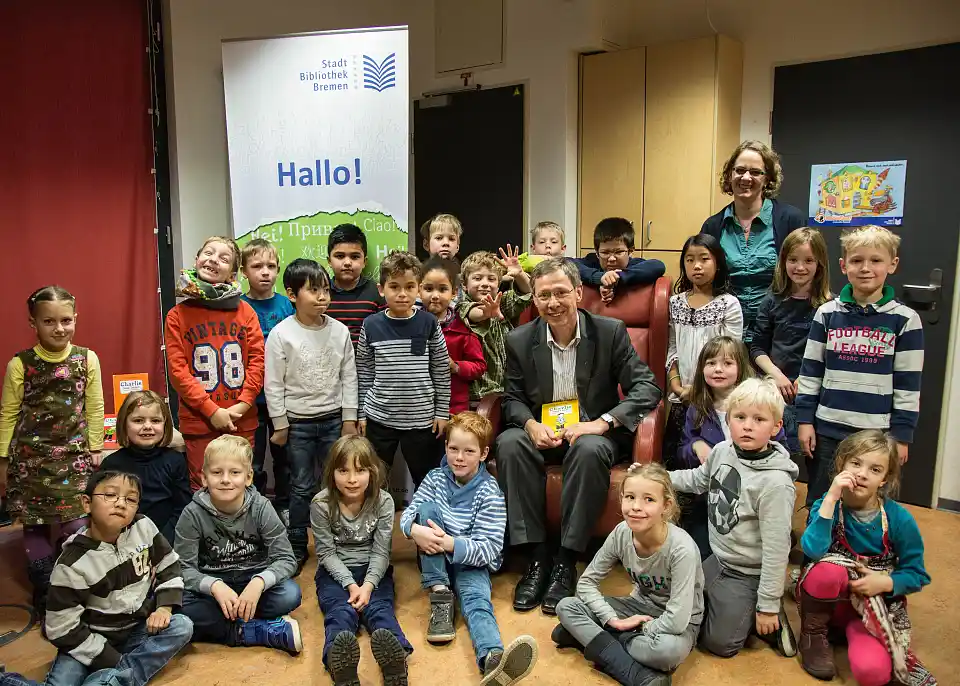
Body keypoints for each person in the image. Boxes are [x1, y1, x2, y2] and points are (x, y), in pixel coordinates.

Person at [495, 257, 662, 615]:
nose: (552, 303)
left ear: (577, 292)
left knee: (588, 449)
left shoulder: (608, 331)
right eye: (543, 296)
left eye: (560, 293)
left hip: (590, 434)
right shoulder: (519, 340)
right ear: (535, 300)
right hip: (543, 435)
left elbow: (647, 387)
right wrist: (530, 425)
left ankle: (566, 560)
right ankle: (537, 557)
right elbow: (511, 399)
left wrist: (602, 422)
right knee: (509, 442)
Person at [0, 470, 193, 686]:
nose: (121, 504)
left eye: (130, 499)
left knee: (181, 625)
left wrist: (164, 607)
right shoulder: (72, 563)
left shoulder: (144, 526)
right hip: (88, 639)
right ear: (86, 503)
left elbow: (169, 564)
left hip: (136, 628)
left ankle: (115, 680)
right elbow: (61, 627)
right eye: (110, 495)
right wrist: (112, 661)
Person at [400, 412, 538, 686]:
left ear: (484, 453)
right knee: (425, 510)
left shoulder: (489, 492)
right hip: (433, 559)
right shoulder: (435, 478)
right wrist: (414, 530)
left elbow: (489, 549)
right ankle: (440, 597)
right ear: (446, 447)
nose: (459, 458)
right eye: (453, 449)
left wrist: (451, 543)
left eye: (468, 451)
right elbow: (409, 513)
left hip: (470, 561)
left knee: (477, 603)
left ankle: (493, 659)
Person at [670, 377, 798, 659]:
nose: (748, 426)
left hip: (748, 573)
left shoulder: (776, 484)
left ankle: (769, 614)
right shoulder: (722, 451)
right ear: (729, 420)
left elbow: (777, 552)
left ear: (776, 427)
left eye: (759, 419)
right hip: (717, 559)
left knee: (719, 644)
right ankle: (738, 606)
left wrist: (767, 604)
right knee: (678, 611)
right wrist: (660, 477)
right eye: (740, 417)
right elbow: (697, 480)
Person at [796, 225, 923, 507]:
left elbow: (908, 385)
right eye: (856, 260)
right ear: (843, 266)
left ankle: (861, 552)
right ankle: (817, 552)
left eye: (876, 260)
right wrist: (804, 420)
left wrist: (901, 436)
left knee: (867, 503)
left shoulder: (905, 320)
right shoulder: (827, 313)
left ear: (893, 264)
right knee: (821, 498)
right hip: (827, 429)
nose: (866, 268)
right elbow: (810, 372)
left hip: (875, 435)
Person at [797, 430, 933, 685]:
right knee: (827, 569)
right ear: (841, 465)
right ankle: (814, 634)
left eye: (875, 469)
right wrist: (830, 497)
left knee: (872, 673)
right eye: (856, 463)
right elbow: (813, 551)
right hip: (829, 602)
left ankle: (850, 634)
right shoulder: (827, 505)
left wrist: (887, 583)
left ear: (884, 479)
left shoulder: (899, 519)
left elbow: (917, 574)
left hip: (870, 609)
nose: (862, 474)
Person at [0, 286, 104, 617]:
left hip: (74, 459)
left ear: (76, 319)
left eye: (66, 320)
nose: (59, 328)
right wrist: (3, 459)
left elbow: (95, 405)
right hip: (31, 462)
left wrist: (97, 445)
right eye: (49, 321)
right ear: (33, 323)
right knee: (36, 525)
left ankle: (72, 584)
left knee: (76, 524)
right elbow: (8, 412)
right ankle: (45, 590)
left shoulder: (87, 359)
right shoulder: (20, 364)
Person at [554, 463, 702, 686]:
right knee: (566, 607)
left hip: (676, 623)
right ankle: (635, 674)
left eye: (649, 500)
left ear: (666, 505)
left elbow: (677, 620)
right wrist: (613, 619)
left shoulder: (682, 550)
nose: (636, 507)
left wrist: (637, 627)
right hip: (636, 608)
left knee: (667, 653)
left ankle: (593, 639)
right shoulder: (622, 532)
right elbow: (586, 583)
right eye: (630, 497)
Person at [265, 258, 358, 570]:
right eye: (314, 290)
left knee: (336, 481)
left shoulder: (340, 331)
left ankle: (336, 539)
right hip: (298, 424)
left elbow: (350, 376)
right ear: (292, 294)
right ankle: (296, 541)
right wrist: (280, 424)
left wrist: (349, 418)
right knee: (301, 484)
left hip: (333, 420)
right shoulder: (281, 334)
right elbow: (273, 382)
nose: (322, 297)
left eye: (326, 290)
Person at [175, 435, 302, 654]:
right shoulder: (192, 514)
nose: (226, 479)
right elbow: (183, 568)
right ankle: (252, 629)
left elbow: (286, 559)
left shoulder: (262, 508)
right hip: (214, 588)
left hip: (253, 580)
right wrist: (213, 586)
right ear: (204, 478)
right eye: (217, 473)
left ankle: (229, 621)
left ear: (248, 477)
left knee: (290, 594)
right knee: (180, 605)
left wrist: (259, 583)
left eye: (235, 472)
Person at [164, 235, 265, 489]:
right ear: (197, 259)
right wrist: (212, 411)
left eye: (224, 258)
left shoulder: (245, 312)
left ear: (232, 274)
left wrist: (241, 406)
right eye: (208, 253)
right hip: (200, 423)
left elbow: (257, 362)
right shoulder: (177, 315)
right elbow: (178, 372)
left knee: (240, 487)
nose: (213, 260)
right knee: (205, 489)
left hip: (240, 420)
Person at [313, 436, 412, 686]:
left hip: (374, 571)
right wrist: (350, 585)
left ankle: (396, 659)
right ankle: (339, 664)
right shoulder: (321, 504)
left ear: (373, 471)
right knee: (339, 613)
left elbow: (381, 552)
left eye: (360, 470)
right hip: (334, 572)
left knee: (380, 611)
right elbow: (326, 553)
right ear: (331, 472)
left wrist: (367, 586)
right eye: (343, 470)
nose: (352, 479)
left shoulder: (384, 502)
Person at [356, 251, 451, 489]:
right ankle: (375, 522)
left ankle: (427, 523)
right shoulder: (371, 325)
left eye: (410, 287)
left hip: (422, 420)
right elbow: (365, 372)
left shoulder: (428, 323)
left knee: (427, 481)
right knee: (374, 480)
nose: (402, 294)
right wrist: (361, 413)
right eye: (394, 287)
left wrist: (441, 412)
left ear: (418, 288)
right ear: (381, 289)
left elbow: (440, 369)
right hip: (379, 418)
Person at [699, 140, 807, 342]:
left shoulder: (791, 220)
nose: (746, 177)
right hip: (727, 334)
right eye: (739, 170)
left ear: (768, 179)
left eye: (755, 172)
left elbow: (808, 276)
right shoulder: (712, 226)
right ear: (730, 174)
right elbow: (703, 283)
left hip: (780, 333)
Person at [750, 227, 832, 461]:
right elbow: (757, 348)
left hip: (813, 391)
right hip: (776, 388)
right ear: (783, 261)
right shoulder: (771, 300)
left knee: (811, 454)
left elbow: (830, 356)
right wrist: (776, 375)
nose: (800, 267)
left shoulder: (829, 307)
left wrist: (805, 379)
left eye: (808, 260)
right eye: (793, 260)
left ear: (820, 264)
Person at [664, 234, 742, 465]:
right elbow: (672, 348)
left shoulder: (728, 304)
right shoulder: (675, 302)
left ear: (717, 263)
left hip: (714, 399)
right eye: (689, 260)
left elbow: (729, 357)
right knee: (675, 462)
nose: (696, 266)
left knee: (712, 463)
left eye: (704, 259)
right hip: (681, 397)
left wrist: (698, 391)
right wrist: (677, 387)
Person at [239, 238, 294, 517]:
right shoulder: (237, 307)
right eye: (257, 266)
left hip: (283, 398)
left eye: (271, 266)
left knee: (285, 459)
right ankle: (256, 508)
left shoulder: (287, 306)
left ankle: (284, 506)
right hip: (249, 400)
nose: (265, 272)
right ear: (243, 271)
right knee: (254, 459)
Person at [100, 391, 191, 544]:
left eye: (155, 420)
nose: (147, 426)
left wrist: (161, 542)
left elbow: (182, 508)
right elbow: (105, 510)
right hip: (123, 540)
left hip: (167, 540)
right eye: (138, 420)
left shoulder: (175, 461)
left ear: (165, 424)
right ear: (124, 424)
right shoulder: (111, 464)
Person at [456, 250, 532, 401]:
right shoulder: (461, 305)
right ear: (464, 285)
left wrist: (519, 274)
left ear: (498, 283)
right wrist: (486, 313)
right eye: (477, 278)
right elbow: (473, 314)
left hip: (507, 388)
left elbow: (528, 293)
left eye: (491, 279)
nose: (485, 283)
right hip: (480, 392)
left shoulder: (501, 302)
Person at [419, 256, 486, 417]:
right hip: (419, 408)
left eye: (442, 289)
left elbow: (479, 366)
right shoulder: (412, 324)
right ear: (419, 290)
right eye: (428, 289)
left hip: (453, 409)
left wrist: (456, 366)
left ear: (454, 292)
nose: (435, 295)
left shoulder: (462, 327)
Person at [573, 217, 666, 304]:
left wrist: (618, 278)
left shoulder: (634, 265)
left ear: (630, 251)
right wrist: (600, 278)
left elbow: (658, 265)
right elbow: (566, 262)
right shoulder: (592, 261)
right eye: (605, 253)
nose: (612, 259)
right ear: (597, 253)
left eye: (619, 252)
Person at [326, 223, 385, 347]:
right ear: (329, 261)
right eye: (340, 256)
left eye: (355, 256)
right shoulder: (321, 294)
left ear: (364, 262)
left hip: (366, 364)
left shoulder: (377, 293)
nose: (347, 262)